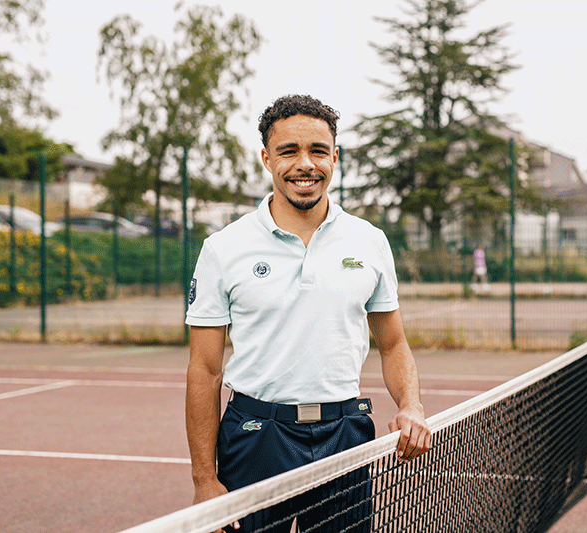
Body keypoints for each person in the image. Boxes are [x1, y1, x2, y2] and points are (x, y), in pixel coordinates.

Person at [185, 94, 431, 532]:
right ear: (266, 158)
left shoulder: (369, 241)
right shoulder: (223, 248)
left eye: (318, 151)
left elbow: (393, 344)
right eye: (288, 151)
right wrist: (204, 479)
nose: (305, 164)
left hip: (346, 432)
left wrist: (411, 405)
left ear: (335, 157)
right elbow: (205, 370)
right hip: (256, 436)